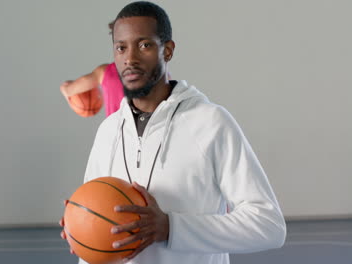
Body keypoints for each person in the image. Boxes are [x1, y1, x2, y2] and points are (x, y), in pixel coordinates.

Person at [60, 1, 286, 264]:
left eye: (144, 45)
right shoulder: (108, 131)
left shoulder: (211, 123)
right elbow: (94, 233)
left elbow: (268, 226)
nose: (129, 58)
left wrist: (171, 228)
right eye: (121, 47)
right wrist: (84, 231)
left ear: (167, 50)